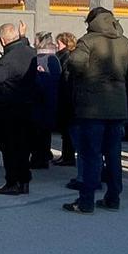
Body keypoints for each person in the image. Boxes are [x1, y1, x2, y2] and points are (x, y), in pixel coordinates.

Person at [63, 7, 128, 214]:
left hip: (91, 106)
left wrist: (85, 75)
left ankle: (85, 201)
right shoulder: (125, 41)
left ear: (91, 21)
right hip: (117, 105)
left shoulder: (88, 40)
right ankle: (113, 198)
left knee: (91, 154)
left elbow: (75, 63)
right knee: (113, 155)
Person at [0, 22, 36, 196]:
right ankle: (24, 181)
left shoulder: (7, 60)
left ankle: (12, 182)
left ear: (2, 40)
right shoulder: (31, 52)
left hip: (9, 109)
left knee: (10, 148)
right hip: (28, 108)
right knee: (24, 148)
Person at [30, 32, 62, 170]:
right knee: (45, 132)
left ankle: (39, 158)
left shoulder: (40, 59)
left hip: (40, 101)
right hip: (51, 100)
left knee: (38, 132)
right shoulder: (55, 59)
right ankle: (44, 156)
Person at [55, 32, 78, 167]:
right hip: (66, 97)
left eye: (59, 43)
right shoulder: (64, 56)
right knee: (65, 130)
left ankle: (68, 156)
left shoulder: (66, 57)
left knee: (68, 130)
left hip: (67, 98)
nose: (57, 45)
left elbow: (66, 77)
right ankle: (65, 155)